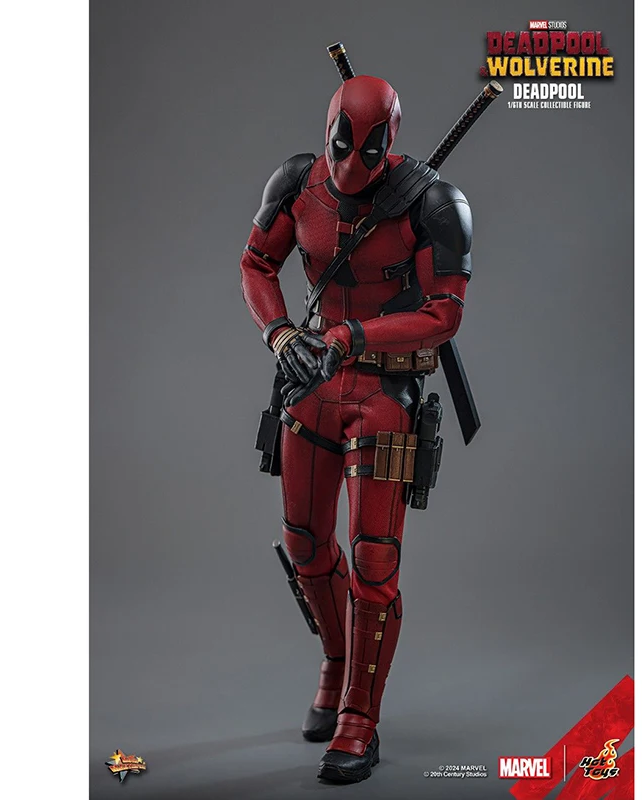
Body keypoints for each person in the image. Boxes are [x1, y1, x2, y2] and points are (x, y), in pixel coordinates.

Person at [239, 74, 473, 783]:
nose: (349, 164)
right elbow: (257, 263)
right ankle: (337, 661)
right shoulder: (296, 182)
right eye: (341, 146)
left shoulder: (433, 202)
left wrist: (353, 335)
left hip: (384, 393)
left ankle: (359, 720)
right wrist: (281, 332)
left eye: (366, 152)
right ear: (328, 131)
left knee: (374, 558)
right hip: (310, 382)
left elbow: (443, 314)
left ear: (389, 140)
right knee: (304, 543)